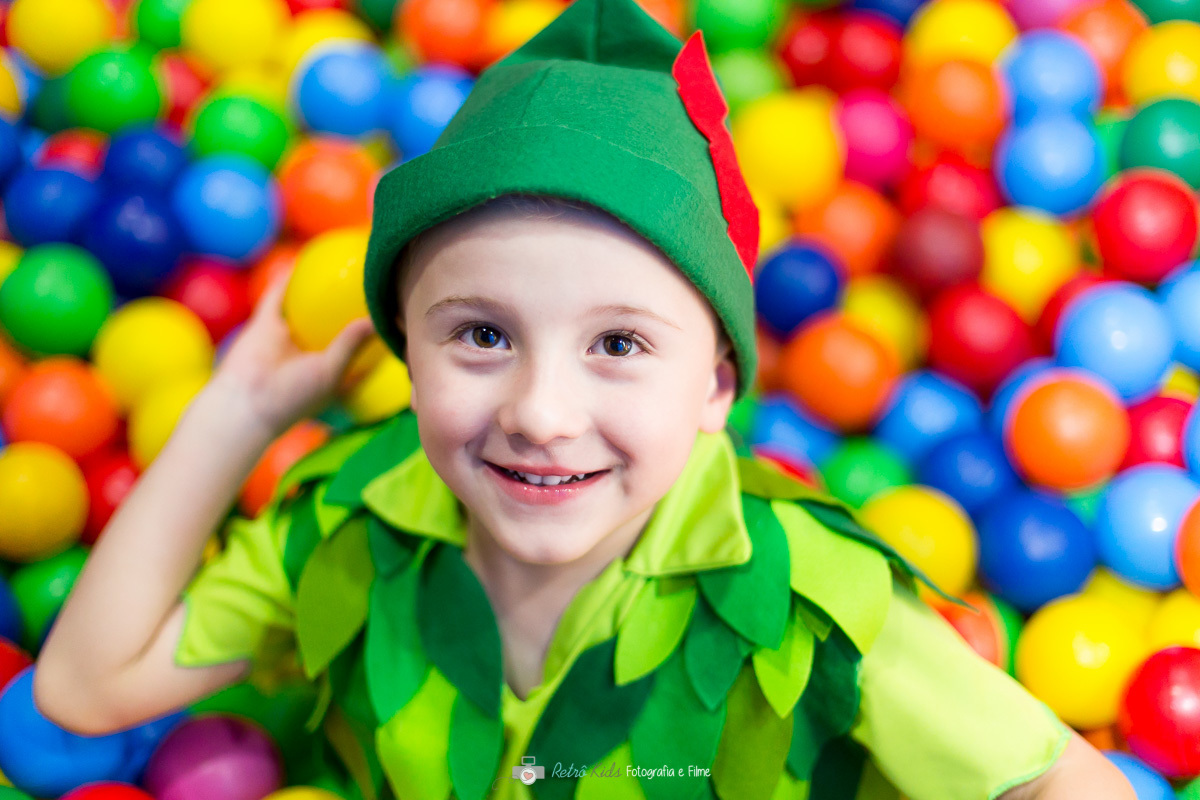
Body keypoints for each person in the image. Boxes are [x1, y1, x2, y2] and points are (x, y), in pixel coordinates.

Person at [35, 0, 1135, 798]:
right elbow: (85, 689)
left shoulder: (802, 600)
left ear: (715, 384)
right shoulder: (351, 522)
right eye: (480, 334)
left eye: (617, 341)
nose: (541, 410)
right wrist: (240, 410)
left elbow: (1068, 785)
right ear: (406, 351)